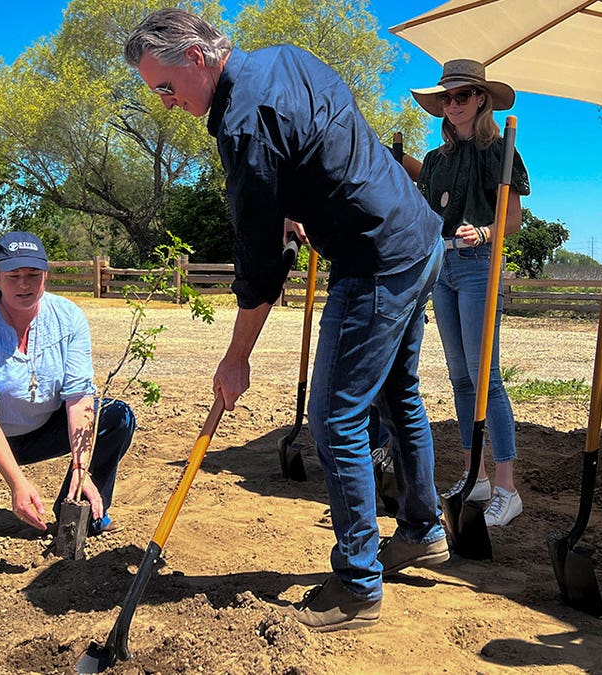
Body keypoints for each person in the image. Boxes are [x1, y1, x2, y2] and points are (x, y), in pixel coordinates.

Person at [125, 8, 449, 632]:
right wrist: (300, 205)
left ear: (195, 57)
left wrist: (236, 356)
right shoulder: (282, 58)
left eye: (165, 86)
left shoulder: (243, 126)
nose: (165, 103)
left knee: (336, 416)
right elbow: (325, 143)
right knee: (398, 395)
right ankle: (421, 529)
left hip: (374, 258)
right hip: (418, 237)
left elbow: (258, 266)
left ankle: (358, 584)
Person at [0, 232, 134, 541]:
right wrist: (17, 482)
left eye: (33, 275)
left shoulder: (68, 317)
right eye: (14, 276)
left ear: (46, 275)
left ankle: (82, 509)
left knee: (117, 417)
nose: (24, 284)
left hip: (39, 429)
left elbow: (80, 397)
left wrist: (82, 466)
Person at [410, 60, 530, 527]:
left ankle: (506, 487)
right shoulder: (437, 161)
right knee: (460, 377)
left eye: (462, 96)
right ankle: (473, 475)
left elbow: (513, 222)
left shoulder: (499, 151)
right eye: (447, 98)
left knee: (487, 378)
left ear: (481, 99)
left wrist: (482, 232)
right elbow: (426, 211)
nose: (453, 104)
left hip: (479, 265)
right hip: (444, 267)